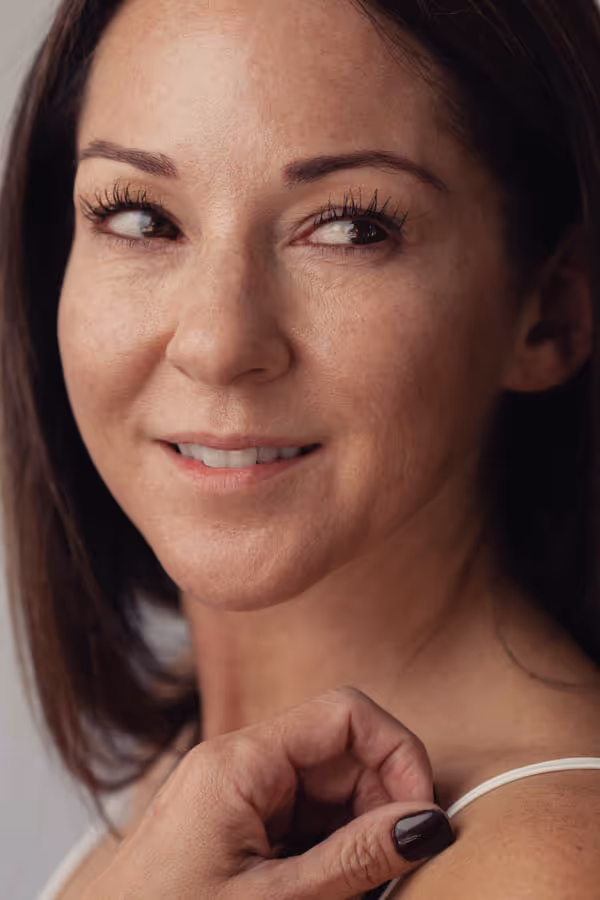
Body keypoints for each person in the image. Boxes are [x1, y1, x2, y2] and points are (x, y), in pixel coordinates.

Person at [2, 0, 600, 896]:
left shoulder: (548, 867)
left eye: (351, 226)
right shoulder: (181, 803)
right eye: (139, 217)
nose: (215, 341)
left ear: (550, 311)